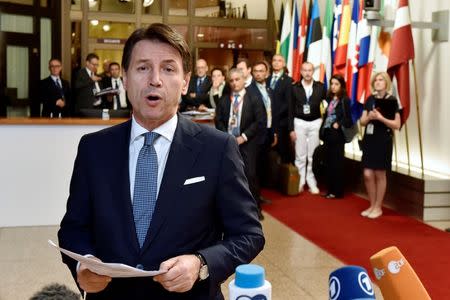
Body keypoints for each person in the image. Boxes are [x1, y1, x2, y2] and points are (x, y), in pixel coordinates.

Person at [58, 23, 264, 300]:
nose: (155, 79)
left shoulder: (218, 148)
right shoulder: (94, 148)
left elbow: (249, 234)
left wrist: (201, 264)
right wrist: (83, 265)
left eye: (168, 69)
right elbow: (73, 228)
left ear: (185, 81)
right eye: (143, 68)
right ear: (126, 78)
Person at [214, 68, 267, 220]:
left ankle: (255, 209)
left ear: (244, 80)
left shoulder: (254, 98)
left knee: (250, 175)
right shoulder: (224, 100)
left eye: (237, 79)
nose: (235, 83)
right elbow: (219, 120)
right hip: (228, 142)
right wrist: (227, 137)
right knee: (229, 175)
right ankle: (233, 208)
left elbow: (259, 121)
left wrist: (243, 137)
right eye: (231, 80)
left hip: (248, 142)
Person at [360, 72, 401, 219]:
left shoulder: (392, 100)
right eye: (376, 80)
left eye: (381, 80)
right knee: (367, 173)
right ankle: (372, 204)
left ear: (386, 83)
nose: (377, 82)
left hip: (383, 139)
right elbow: (362, 121)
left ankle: (378, 207)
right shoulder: (370, 99)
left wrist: (381, 118)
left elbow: (397, 124)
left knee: (379, 173)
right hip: (370, 139)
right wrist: (369, 117)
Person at [289, 62, 326, 194]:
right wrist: (291, 129)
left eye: (310, 70)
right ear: (301, 72)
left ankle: (311, 181)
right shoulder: (294, 87)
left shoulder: (320, 87)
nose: (307, 73)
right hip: (299, 122)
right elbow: (290, 109)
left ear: (313, 71)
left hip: (315, 122)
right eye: (304, 70)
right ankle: (300, 181)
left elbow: (326, 106)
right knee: (300, 155)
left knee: (312, 155)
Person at [319, 74, 352, 199]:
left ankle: (337, 191)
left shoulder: (345, 100)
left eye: (336, 84)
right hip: (327, 134)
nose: (333, 87)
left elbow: (349, 120)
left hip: (337, 135)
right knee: (328, 162)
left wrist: (339, 123)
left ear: (341, 86)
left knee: (337, 163)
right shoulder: (328, 99)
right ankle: (330, 189)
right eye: (332, 84)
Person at [267, 54, 294, 163]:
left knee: (282, 154)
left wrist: (273, 114)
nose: (276, 62)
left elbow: (288, 104)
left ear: (284, 64)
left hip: (281, 124)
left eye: (279, 60)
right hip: (267, 123)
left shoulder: (289, 81)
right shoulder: (267, 79)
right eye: (274, 60)